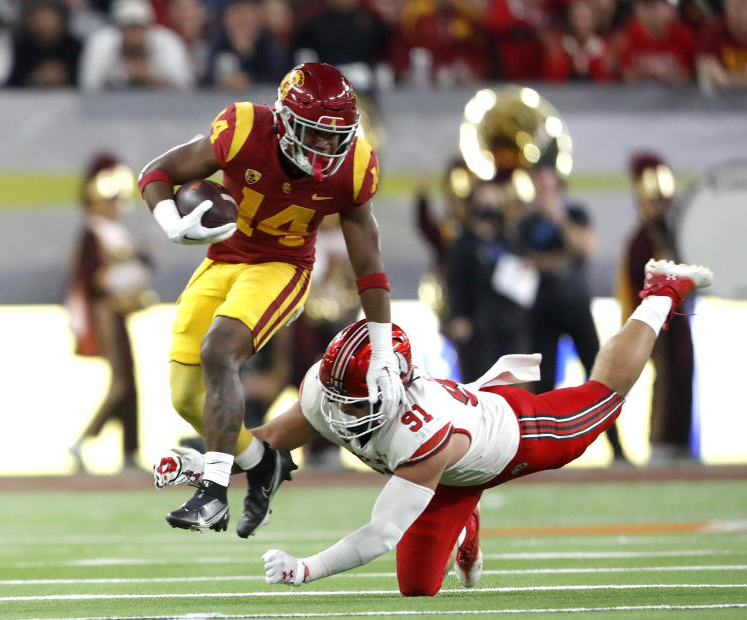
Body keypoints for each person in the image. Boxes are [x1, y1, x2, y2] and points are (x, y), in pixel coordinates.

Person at [157, 258, 713, 595]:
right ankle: (466, 519)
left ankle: (661, 292)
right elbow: (267, 448)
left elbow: (379, 532)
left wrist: (306, 569)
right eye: (340, 399)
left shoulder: (420, 433)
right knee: (418, 589)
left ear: (393, 390)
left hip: (518, 436)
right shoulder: (327, 391)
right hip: (448, 472)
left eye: (357, 402)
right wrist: (198, 469)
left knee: (603, 398)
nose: (343, 413)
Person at [140, 62, 403, 537]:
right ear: (284, 120)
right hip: (223, 260)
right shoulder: (243, 128)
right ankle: (265, 462)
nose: (325, 146)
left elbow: (369, 259)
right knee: (184, 395)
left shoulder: (356, 165)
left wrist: (383, 347)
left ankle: (213, 493)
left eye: (335, 135)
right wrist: (169, 222)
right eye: (314, 132)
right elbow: (157, 172)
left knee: (219, 351)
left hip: (282, 267)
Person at [517, 163, 628, 463]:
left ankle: (617, 449)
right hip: (542, 312)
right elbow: (524, 263)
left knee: (598, 376)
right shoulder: (526, 223)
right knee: (543, 385)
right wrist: (560, 258)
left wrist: (560, 220)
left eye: (547, 184)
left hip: (577, 306)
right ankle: (538, 455)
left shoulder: (574, 214)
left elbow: (585, 248)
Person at [64, 153, 154, 473]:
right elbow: (94, 278)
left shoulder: (111, 231)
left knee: (129, 381)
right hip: (106, 312)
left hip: (118, 312)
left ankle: (130, 450)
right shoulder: (94, 233)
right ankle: (83, 441)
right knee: (121, 381)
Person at [616, 152, 698, 463]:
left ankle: (679, 441)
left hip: (676, 316)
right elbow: (640, 281)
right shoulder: (642, 239)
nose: (660, 206)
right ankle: (662, 442)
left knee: (682, 372)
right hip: (656, 318)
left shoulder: (670, 231)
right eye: (655, 201)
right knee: (666, 376)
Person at [444, 180, 528, 383]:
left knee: (510, 394)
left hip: (508, 329)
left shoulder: (510, 241)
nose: (489, 206)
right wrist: (458, 316)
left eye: (494, 201)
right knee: (479, 390)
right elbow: (455, 284)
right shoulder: (462, 245)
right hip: (476, 330)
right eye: (484, 201)